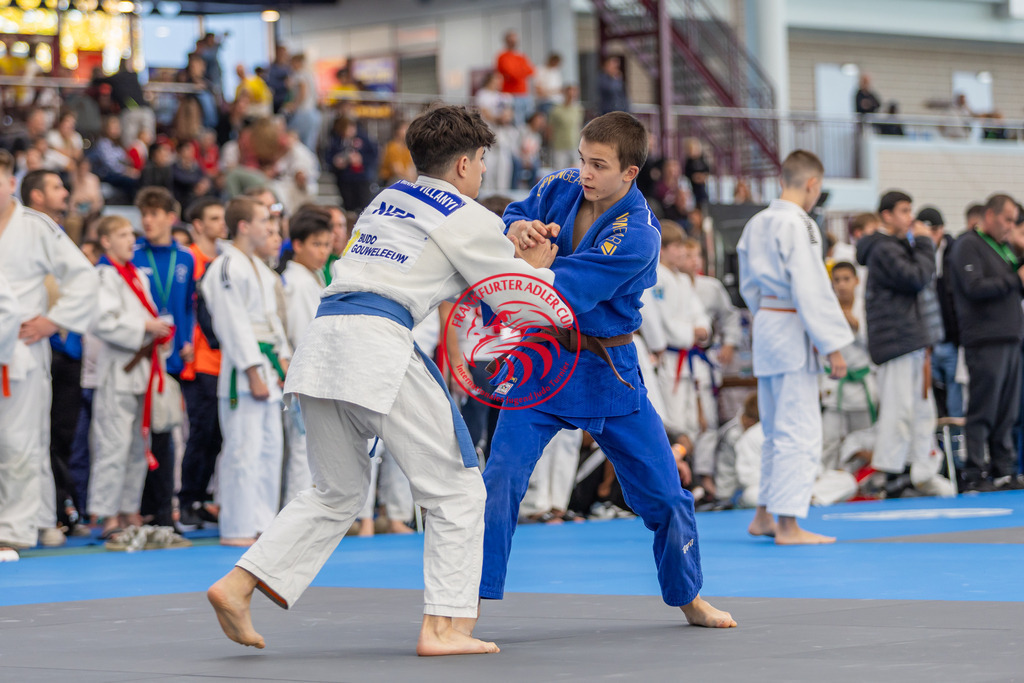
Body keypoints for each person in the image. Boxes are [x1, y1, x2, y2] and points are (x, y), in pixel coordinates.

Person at [206, 104, 564, 656]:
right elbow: (510, 295)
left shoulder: (388, 197)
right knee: (458, 488)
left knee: (336, 490)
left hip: (324, 339)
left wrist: (507, 235)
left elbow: (450, 247)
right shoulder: (465, 216)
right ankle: (443, 627)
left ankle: (238, 584)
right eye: (483, 162)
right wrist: (540, 263)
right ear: (467, 163)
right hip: (377, 341)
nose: (484, 172)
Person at [479, 112, 735, 627]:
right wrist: (517, 228)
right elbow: (509, 215)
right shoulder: (562, 185)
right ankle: (468, 601)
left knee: (665, 493)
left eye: (599, 165)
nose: (586, 172)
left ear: (630, 173)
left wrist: (530, 265)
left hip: (607, 368)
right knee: (501, 478)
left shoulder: (638, 234)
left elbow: (565, 287)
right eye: (582, 159)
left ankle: (689, 597)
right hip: (541, 360)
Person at [737, 150, 852, 544]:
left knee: (774, 427)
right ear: (813, 185)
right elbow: (811, 287)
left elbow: (747, 286)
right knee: (798, 429)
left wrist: (767, 315)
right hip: (791, 325)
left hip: (769, 323)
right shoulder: (799, 224)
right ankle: (788, 524)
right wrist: (833, 346)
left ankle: (764, 515)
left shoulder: (756, 222)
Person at [0, 149, 98, 553]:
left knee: (19, 441)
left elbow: (85, 278)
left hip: (22, 348)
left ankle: (13, 529)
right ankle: (42, 519)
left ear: (11, 183)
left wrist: (54, 321)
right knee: (24, 440)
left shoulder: (36, 226)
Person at [201, 197, 291, 546]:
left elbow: (273, 322)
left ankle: (262, 524)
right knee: (242, 450)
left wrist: (283, 360)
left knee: (269, 449)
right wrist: (252, 369)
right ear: (243, 226)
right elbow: (232, 323)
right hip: (244, 371)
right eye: (262, 220)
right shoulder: (226, 267)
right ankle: (237, 527)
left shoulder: (262, 271)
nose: (269, 227)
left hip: (269, 368)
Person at [856, 191, 951, 497]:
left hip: (911, 339)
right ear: (886, 215)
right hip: (897, 341)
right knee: (898, 411)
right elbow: (916, 277)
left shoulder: (895, 246)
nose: (910, 217)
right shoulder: (883, 249)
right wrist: (925, 243)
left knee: (920, 411)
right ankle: (892, 473)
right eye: (904, 210)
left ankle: (918, 470)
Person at [86, 215, 174, 540]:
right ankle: (107, 515)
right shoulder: (102, 275)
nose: (130, 241)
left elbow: (150, 316)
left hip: (142, 370)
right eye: (122, 235)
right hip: (117, 370)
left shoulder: (138, 276)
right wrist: (145, 328)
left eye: (131, 235)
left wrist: (160, 333)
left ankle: (128, 509)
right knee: (113, 443)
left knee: (139, 444)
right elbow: (103, 322)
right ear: (106, 241)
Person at [949, 194, 1024, 491]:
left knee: (1008, 409)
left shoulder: (1004, 249)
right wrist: (1015, 279)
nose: (1010, 226)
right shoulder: (968, 245)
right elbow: (975, 287)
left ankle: (1004, 468)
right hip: (985, 339)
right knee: (984, 407)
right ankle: (976, 471)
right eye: (1007, 220)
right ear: (989, 215)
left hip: (1010, 337)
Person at [177, 197, 226, 528]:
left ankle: (201, 497)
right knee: (200, 432)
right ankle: (187, 498)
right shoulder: (189, 259)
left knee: (218, 435)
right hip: (199, 359)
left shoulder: (224, 260)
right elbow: (182, 306)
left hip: (224, 360)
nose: (221, 223)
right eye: (213, 218)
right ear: (198, 225)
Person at [279, 206, 332, 504]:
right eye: (316, 244)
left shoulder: (313, 277)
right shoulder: (297, 282)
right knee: (302, 451)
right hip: (305, 375)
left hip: (314, 374)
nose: (323, 252)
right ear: (297, 245)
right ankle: (294, 512)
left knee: (308, 451)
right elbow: (302, 334)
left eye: (326, 244)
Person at [819, 262, 874, 472]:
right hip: (834, 384)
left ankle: (862, 485)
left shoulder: (867, 307)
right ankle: (827, 482)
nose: (842, 285)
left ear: (856, 281)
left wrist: (855, 324)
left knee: (863, 440)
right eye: (837, 280)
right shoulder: (826, 309)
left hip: (862, 386)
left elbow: (877, 345)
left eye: (846, 279)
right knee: (829, 440)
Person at [495, 30, 534, 124]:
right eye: (511, 40)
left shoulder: (521, 56)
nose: (513, 42)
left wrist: (517, 72)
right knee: (514, 123)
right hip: (510, 95)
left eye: (515, 40)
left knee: (526, 123)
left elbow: (531, 70)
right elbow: (511, 73)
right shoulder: (502, 56)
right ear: (506, 41)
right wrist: (521, 71)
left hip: (524, 94)